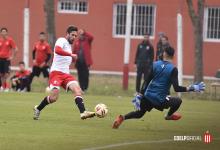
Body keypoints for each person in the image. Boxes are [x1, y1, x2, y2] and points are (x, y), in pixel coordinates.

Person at [112, 46, 205, 129]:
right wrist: (192, 88)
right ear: (173, 56)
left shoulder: (155, 64)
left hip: (148, 96)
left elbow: (146, 80)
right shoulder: (173, 69)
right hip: (159, 100)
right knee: (178, 101)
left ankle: (122, 118)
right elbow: (177, 88)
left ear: (164, 54)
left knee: (139, 113)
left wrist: (140, 94)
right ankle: (168, 116)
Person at [33, 26, 95, 120]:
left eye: (75, 35)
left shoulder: (69, 47)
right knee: (54, 98)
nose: (74, 37)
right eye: (72, 35)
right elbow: (57, 50)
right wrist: (71, 55)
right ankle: (38, 109)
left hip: (66, 75)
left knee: (77, 90)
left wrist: (73, 59)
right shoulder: (61, 40)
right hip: (56, 74)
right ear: (67, 34)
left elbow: (66, 59)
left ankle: (83, 112)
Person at [0, 27, 18, 91]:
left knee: (6, 74)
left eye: (5, 32)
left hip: (6, 59)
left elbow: (15, 49)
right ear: (1, 33)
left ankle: (7, 87)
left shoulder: (10, 40)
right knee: (1, 74)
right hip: (0, 59)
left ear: (6, 33)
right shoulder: (0, 40)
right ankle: (2, 87)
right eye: (2, 32)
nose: (3, 33)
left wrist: (12, 56)